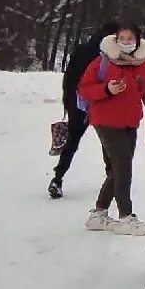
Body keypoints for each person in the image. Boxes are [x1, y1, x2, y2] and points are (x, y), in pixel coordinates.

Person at [77, 22, 145, 235]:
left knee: (116, 170)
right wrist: (106, 89)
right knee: (123, 168)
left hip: (130, 122)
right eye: (122, 39)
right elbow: (84, 89)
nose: (126, 43)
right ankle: (125, 217)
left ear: (137, 42)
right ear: (116, 40)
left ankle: (98, 214)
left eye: (130, 39)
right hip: (105, 121)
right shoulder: (103, 61)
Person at [49, 20, 121, 199]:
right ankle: (112, 178)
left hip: (78, 103)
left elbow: (69, 77)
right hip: (101, 102)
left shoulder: (82, 50)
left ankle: (58, 178)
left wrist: (68, 102)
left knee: (72, 141)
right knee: (108, 141)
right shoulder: (112, 55)